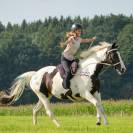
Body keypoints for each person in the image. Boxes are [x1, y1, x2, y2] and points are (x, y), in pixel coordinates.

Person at [60, 23, 96, 90]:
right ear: (74, 31)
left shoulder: (79, 39)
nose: (80, 32)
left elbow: (86, 40)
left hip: (71, 58)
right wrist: (64, 43)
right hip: (65, 58)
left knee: (79, 68)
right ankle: (65, 85)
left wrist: (92, 39)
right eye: (79, 31)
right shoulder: (71, 38)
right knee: (68, 71)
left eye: (80, 31)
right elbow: (66, 42)